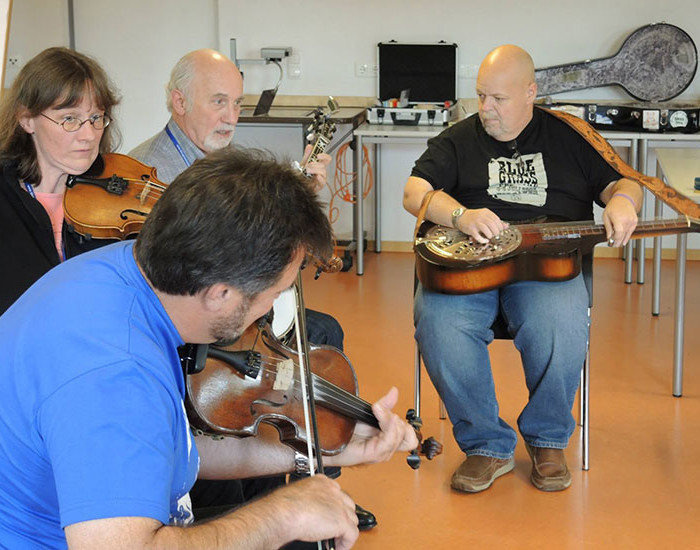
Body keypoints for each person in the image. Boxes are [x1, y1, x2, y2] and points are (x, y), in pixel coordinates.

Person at [0, 147, 418, 549]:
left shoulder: (127, 273)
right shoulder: (116, 372)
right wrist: (283, 515)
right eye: (274, 293)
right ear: (220, 293)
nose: (272, 307)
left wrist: (315, 451)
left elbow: (169, 452)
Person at [130, 48, 375, 531]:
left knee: (322, 332)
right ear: (178, 101)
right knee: (292, 355)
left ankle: (314, 477)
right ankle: (257, 502)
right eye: (218, 102)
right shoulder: (145, 173)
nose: (231, 117)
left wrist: (301, 201)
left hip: (236, 311)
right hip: (193, 327)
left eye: (238, 104)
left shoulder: (224, 164)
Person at [403, 45, 642, 493]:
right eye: (481, 96)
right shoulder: (458, 139)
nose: (486, 109)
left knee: (560, 322)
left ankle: (548, 437)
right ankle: (486, 445)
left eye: (499, 98)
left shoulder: (571, 137)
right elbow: (415, 192)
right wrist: (461, 216)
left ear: (531, 93)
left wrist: (625, 202)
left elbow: (621, 181)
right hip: (469, 265)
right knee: (438, 322)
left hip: (546, 267)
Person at [0, 46, 120, 316]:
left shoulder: (114, 197)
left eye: (96, 117)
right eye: (70, 119)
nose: (88, 135)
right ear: (27, 119)